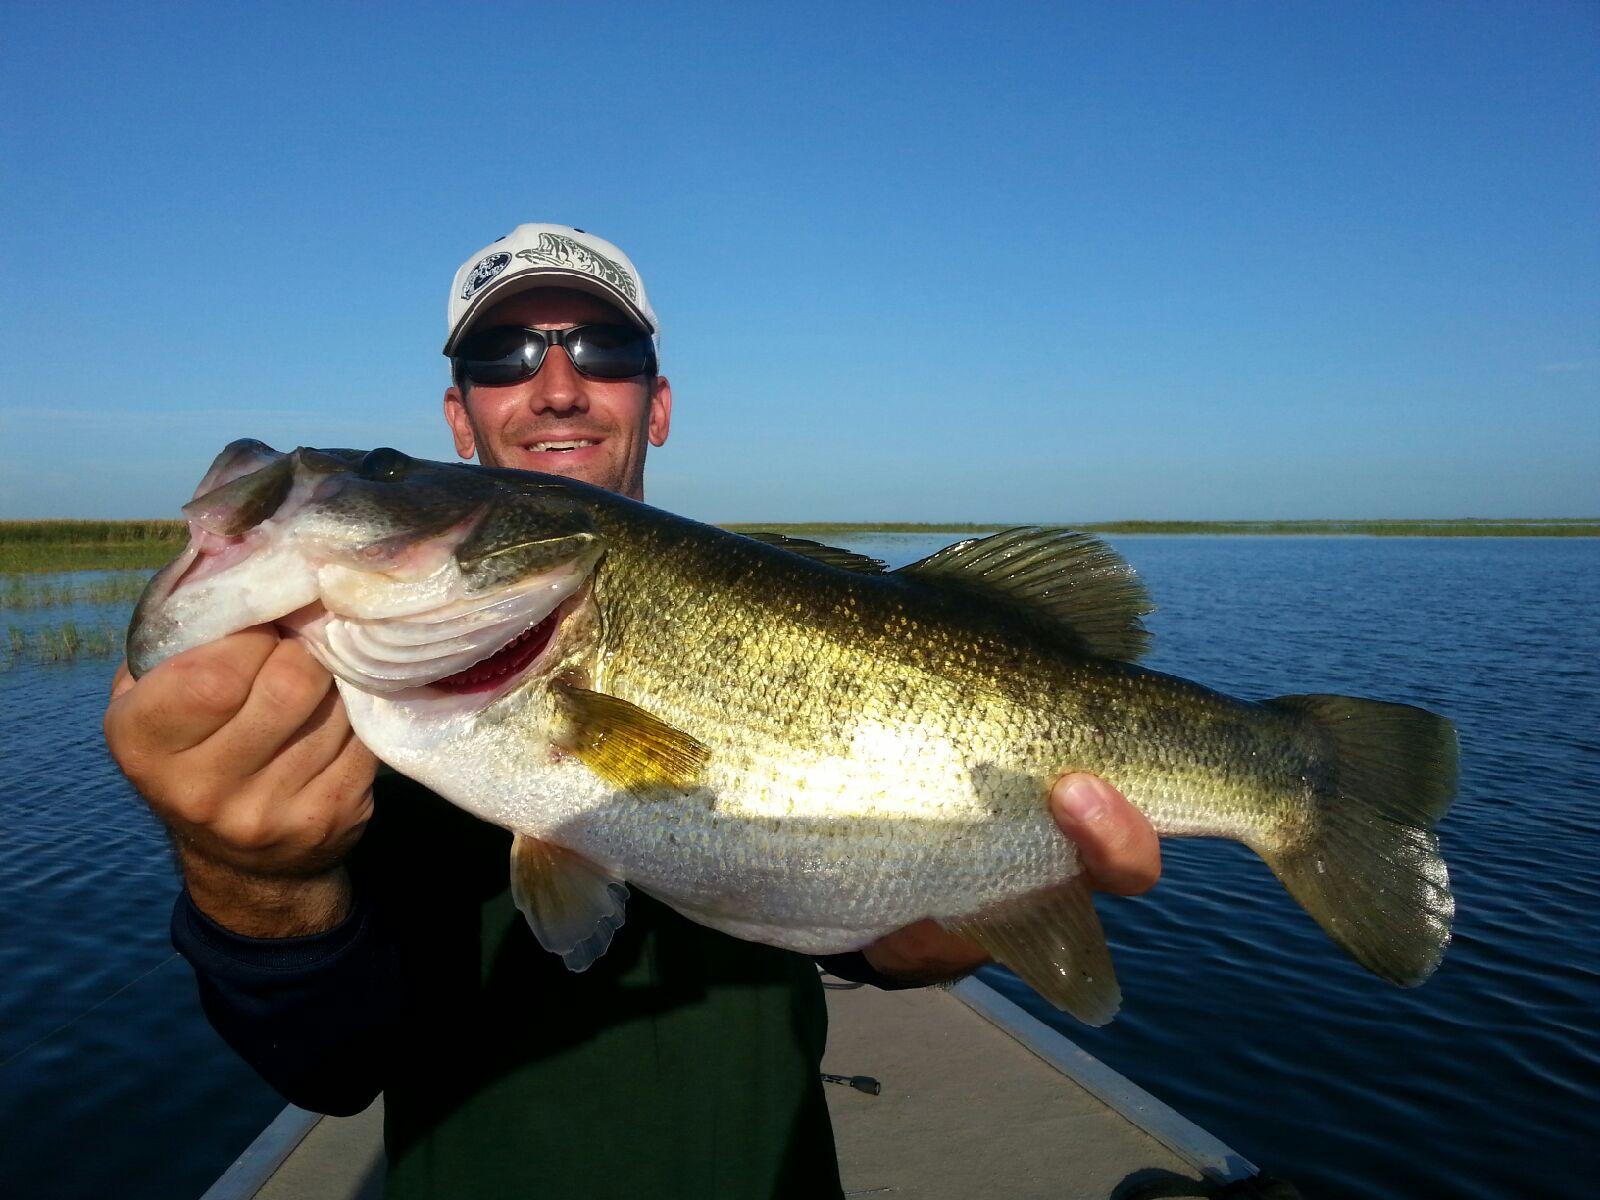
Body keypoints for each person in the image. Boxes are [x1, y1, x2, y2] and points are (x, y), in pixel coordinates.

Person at [103, 224, 1162, 1199]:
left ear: (656, 403)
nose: (556, 386)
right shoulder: (340, 717)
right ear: (456, 417)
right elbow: (328, 1069)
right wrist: (251, 877)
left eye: (602, 350)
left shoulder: (733, 596)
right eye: (503, 358)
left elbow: (830, 905)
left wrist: (907, 936)